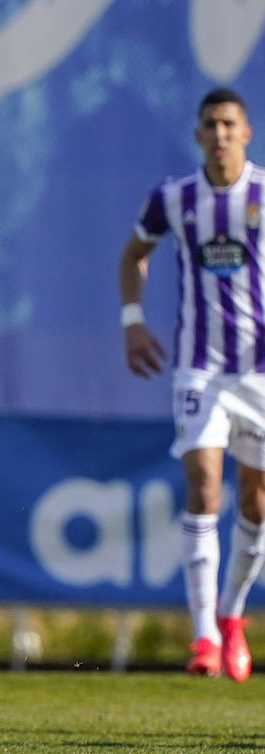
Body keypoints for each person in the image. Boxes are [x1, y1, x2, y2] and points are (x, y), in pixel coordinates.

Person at [119, 87, 265, 682]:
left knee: (256, 501)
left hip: (259, 371)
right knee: (203, 484)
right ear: (199, 135)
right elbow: (134, 256)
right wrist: (132, 321)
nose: (220, 134)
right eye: (211, 125)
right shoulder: (174, 198)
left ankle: (231, 618)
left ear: (246, 133)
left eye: (230, 124)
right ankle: (204, 635)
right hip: (199, 366)